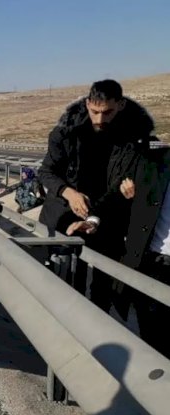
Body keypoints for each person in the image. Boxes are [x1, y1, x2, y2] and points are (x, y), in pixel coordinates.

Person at [38, 79, 153, 313]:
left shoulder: (134, 138)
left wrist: (133, 186)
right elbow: (46, 172)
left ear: (120, 105)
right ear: (88, 103)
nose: (100, 119)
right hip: (64, 216)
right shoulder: (65, 133)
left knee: (104, 285)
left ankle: (99, 325)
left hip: (108, 216)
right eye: (95, 112)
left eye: (107, 112)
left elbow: (142, 175)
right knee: (63, 281)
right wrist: (69, 193)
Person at [68, 145, 170, 357]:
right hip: (154, 267)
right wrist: (93, 221)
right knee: (156, 345)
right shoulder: (153, 161)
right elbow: (113, 195)